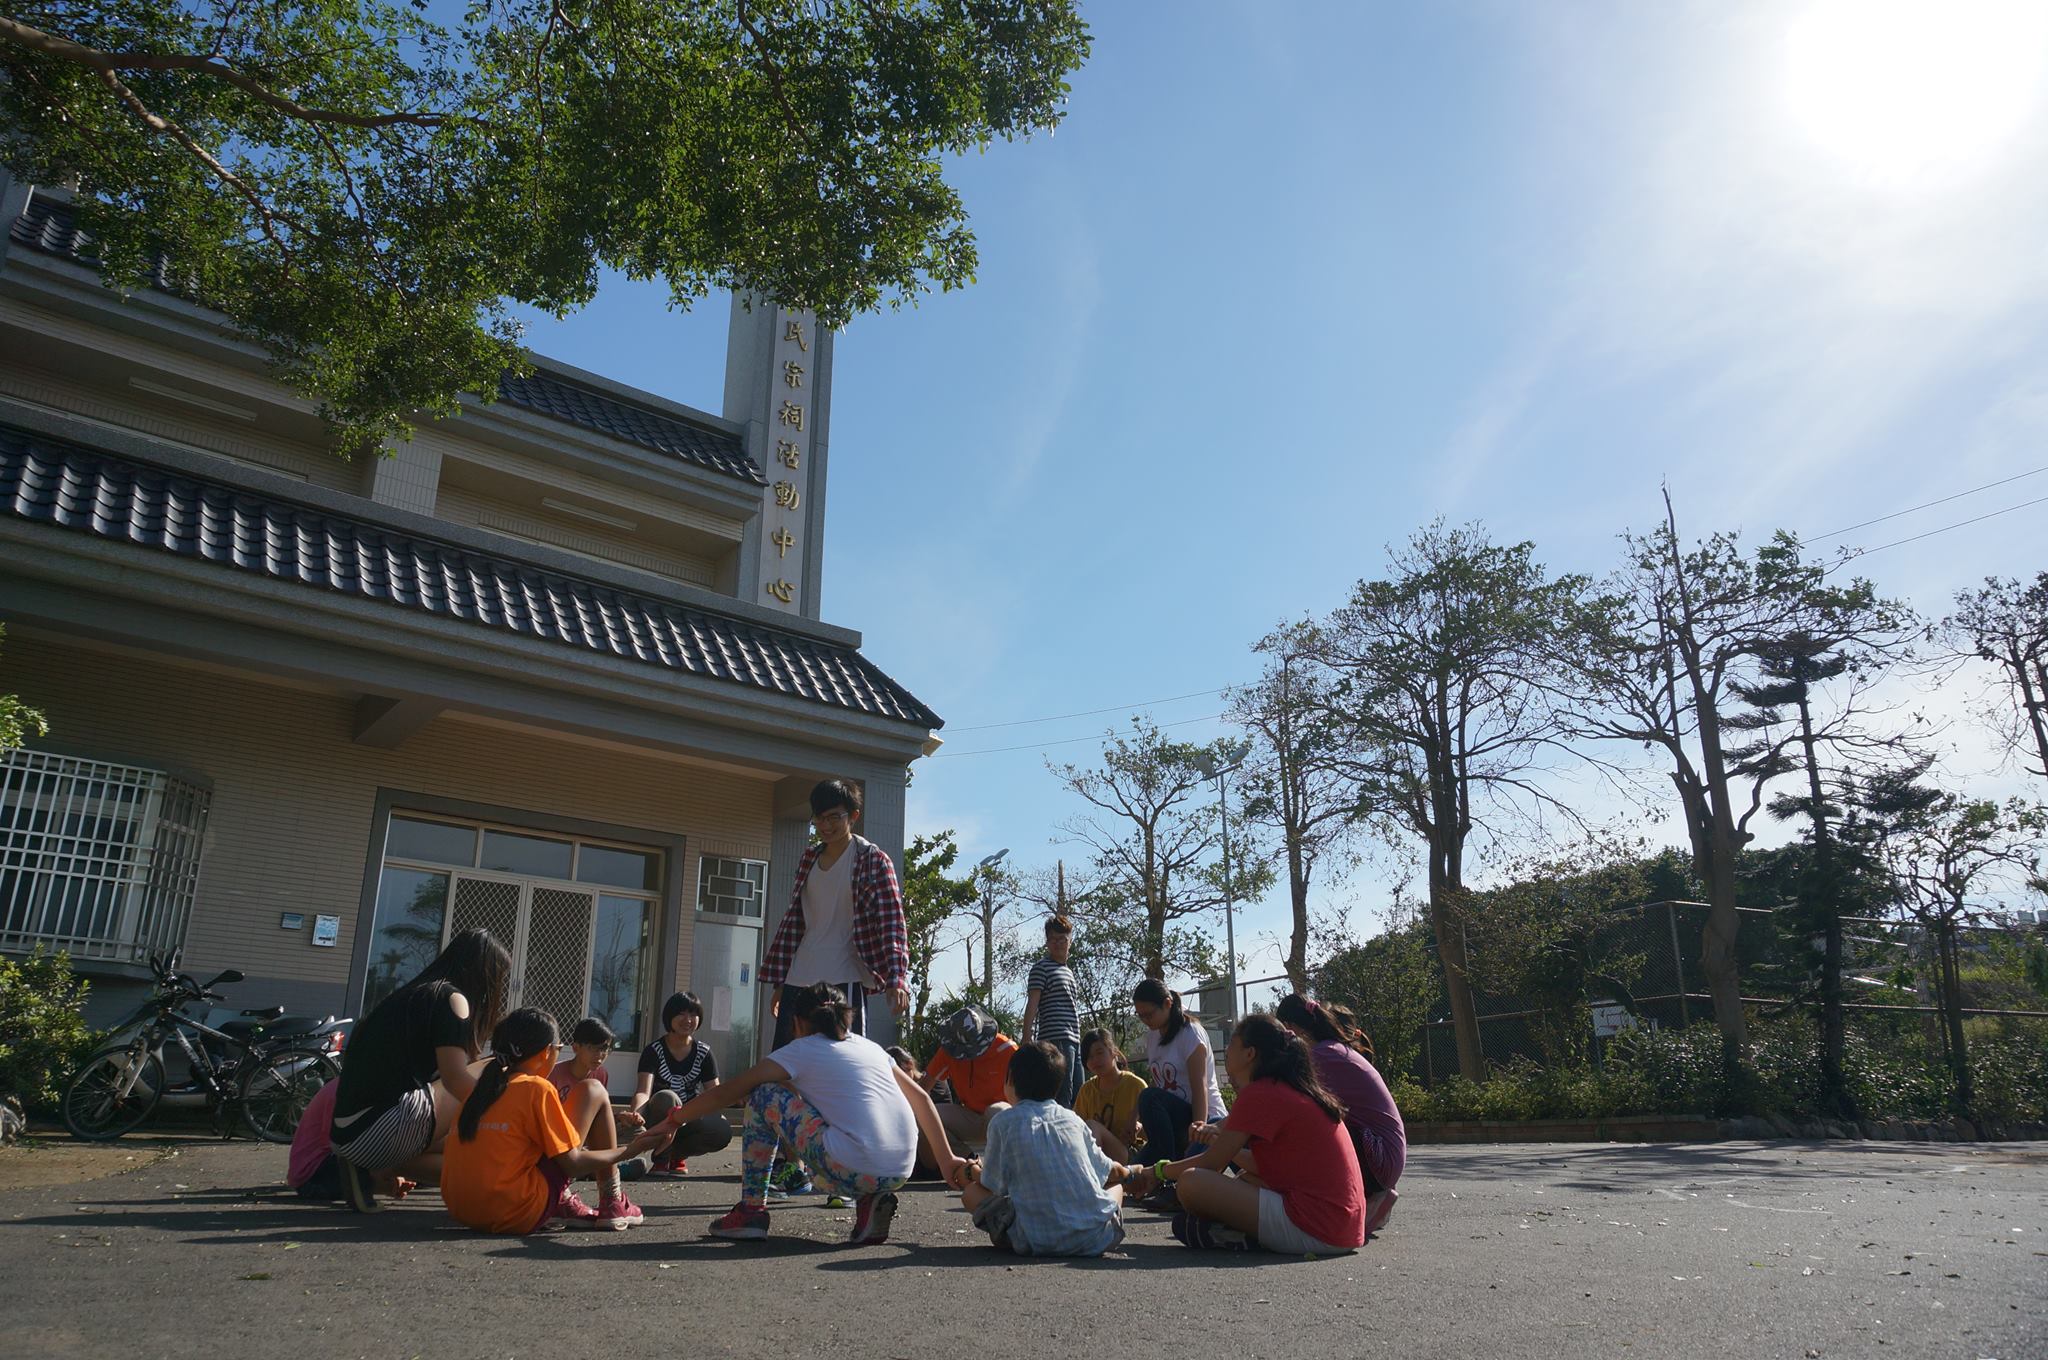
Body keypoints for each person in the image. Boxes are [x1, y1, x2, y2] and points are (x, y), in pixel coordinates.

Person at [651, 983, 967, 1244]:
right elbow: (923, 1100)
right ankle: (869, 1203)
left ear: (798, 1022)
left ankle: (751, 1211)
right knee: (834, 1111)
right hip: (899, 1171)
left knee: (763, 1095)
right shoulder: (872, 1049)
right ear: (847, 1019)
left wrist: (675, 1119)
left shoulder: (799, 1050)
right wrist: (947, 1159)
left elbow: (727, 1091)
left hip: (849, 1166)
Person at [442, 1007, 673, 1233]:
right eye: (558, 1048)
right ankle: (612, 1200)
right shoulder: (536, 1088)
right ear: (546, 1052)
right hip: (515, 1210)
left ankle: (563, 1200)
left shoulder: (481, 1090)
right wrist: (632, 1149)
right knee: (593, 1089)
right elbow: (572, 1163)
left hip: (462, 1209)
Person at [1154, 1014, 1366, 1255]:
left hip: (1316, 1230)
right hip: (1344, 1231)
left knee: (1191, 1183)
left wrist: (1155, 1171)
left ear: (1249, 1053)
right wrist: (1219, 1141)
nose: (1226, 1049)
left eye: (1232, 1043)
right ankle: (1228, 1232)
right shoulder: (1291, 1089)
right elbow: (1262, 1166)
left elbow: (1209, 1164)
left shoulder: (1260, 1092)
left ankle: (1240, 1236)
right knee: (1246, 1178)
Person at [331, 928, 510, 1211]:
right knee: (494, 1067)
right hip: (383, 1126)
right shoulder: (453, 999)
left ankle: (367, 1174)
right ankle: (503, 1167)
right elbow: (455, 1080)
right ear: (484, 974)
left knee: (468, 1154)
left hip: (348, 1135)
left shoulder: (409, 996)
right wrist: (510, 1112)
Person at [760, 779, 911, 1049]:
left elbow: (892, 922)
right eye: (819, 819)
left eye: (834, 817)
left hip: (844, 975)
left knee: (845, 1059)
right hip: (799, 974)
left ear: (853, 816)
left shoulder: (872, 859)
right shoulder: (809, 858)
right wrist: (781, 982)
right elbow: (796, 923)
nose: (825, 826)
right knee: (786, 1059)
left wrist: (896, 977)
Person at [959, 1040, 1145, 1257]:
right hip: (1094, 1238)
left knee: (971, 1192)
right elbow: (1109, 1170)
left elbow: (992, 1185)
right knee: (1117, 1186)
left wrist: (970, 1170)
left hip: (1034, 1240)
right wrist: (1131, 1173)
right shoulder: (1073, 1120)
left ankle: (1018, 1236)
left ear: (1010, 1080)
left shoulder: (1003, 1122)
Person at [1276, 992, 1404, 1237]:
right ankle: (1372, 1195)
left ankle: (1364, 1199)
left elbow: (1281, 1101)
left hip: (1379, 1160)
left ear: (1291, 1029)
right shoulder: (1332, 1050)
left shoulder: (1320, 1056)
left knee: (1310, 1128)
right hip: (1385, 1157)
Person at [626, 992, 733, 1178]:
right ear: (669, 1017)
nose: (688, 1020)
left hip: (688, 1117)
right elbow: (643, 1091)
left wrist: (722, 1114)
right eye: (681, 1014)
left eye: (693, 1014)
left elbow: (714, 1093)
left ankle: (677, 1155)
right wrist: (636, 1114)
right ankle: (661, 1158)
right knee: (668, 1097)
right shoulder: (653, 1051)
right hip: (658, 1117)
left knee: (722, 1130)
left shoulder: (704, 1053)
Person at [1131, 979, 1226, 1165]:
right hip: (1176, 1122)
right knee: (1135, 1172)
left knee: (1149, 1097)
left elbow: (1200, 1088)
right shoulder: (1153, 1035)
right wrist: (1133, 1117)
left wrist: (1199, 1128)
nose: (1145, 1020)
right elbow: (1158, 1084)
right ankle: (1162, 1163)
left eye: (1149, 1015)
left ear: (1167, 1003)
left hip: (1204, 1118)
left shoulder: (1190, 1033)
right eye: (1140, 1016)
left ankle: (1167, 1165)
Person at [917, 1003, 1018, 1173]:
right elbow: (922, 1089)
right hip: (970, 1116)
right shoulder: (950, 1049)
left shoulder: (1007, 1050)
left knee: (997, 1111)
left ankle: (1007, 1169)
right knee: (925, 1115)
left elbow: (1026, 1096)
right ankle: (967, 1162)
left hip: (1002, 1118)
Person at [286, 1077, 415, 1204]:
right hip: (313, 1175)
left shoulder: (351, 1085)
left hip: (325, 1166)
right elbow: (340, 1142)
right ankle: (376, 1185)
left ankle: (379, 1183)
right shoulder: (342, 1093)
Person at [1020, 915, 1083, 1106]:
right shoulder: (1041, 968)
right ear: (1047, 942)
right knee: (1063, 1093)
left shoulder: (1068, 971)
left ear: (1069, 941)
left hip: (1074, 1038)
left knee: (1080, 1094)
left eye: (1062, 939)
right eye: (1052, 939)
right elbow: (1033, 1003)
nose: (1057, 944)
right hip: (1056, 1037)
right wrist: (1026, 1037)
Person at [1072, 1028, 1149, 1163]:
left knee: (1092, 1126)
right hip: (1099, 1157)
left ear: (1114, 1052)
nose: (1095, 1060)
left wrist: (1139, 1128)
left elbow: (1156, 1134)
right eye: (1089, 1057)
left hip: (1131, 1156)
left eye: (1099, 1053)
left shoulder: (1136, 1086)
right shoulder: (1086, 1091)